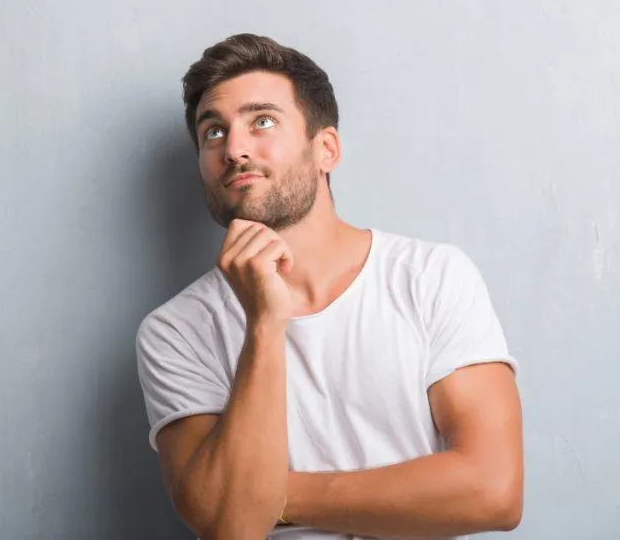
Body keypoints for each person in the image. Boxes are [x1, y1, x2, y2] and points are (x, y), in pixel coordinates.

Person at [135, 34, 523, 540]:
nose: (234, 148)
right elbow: (229, 529)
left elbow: (493, 491)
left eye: (263, 122)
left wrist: (272, 494)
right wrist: (264, 324)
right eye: (213, 133)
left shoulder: (431, 276)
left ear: (326, 149)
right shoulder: (174, 331)